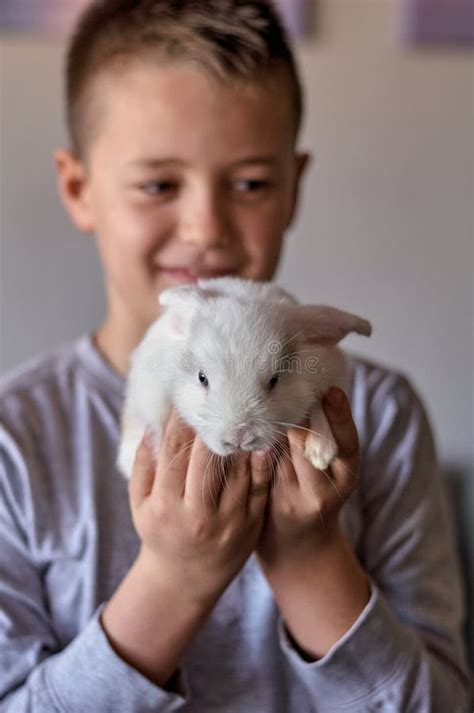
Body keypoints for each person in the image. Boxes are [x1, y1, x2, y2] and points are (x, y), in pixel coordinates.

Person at [0, 1, 470, 711]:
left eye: (250, 183)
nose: (205, 227)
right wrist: (176, 578)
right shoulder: (17, 436)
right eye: (159, 184)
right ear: (79, 187)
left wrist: (312, 557)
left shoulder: (380, 414)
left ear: (293, 186)